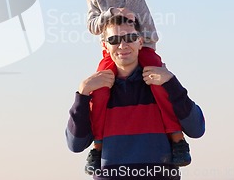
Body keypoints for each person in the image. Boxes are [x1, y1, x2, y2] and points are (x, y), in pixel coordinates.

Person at [82, 0, 191, 172]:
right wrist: (111, 14)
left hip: (145, 46)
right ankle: (98, 146)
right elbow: (92, 25)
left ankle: (177, 138)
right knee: (100, 91)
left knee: (159, 84)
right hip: (112, 54)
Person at [65, 15, 205, 179]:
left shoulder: (162, 83)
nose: (122, 45)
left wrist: (172, 84)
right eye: (114, 40)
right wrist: (82, 94)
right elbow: (75, 144)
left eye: (130, 38)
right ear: (105, 46)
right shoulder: (97, 91)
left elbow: (197, 129)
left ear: (140, 42)